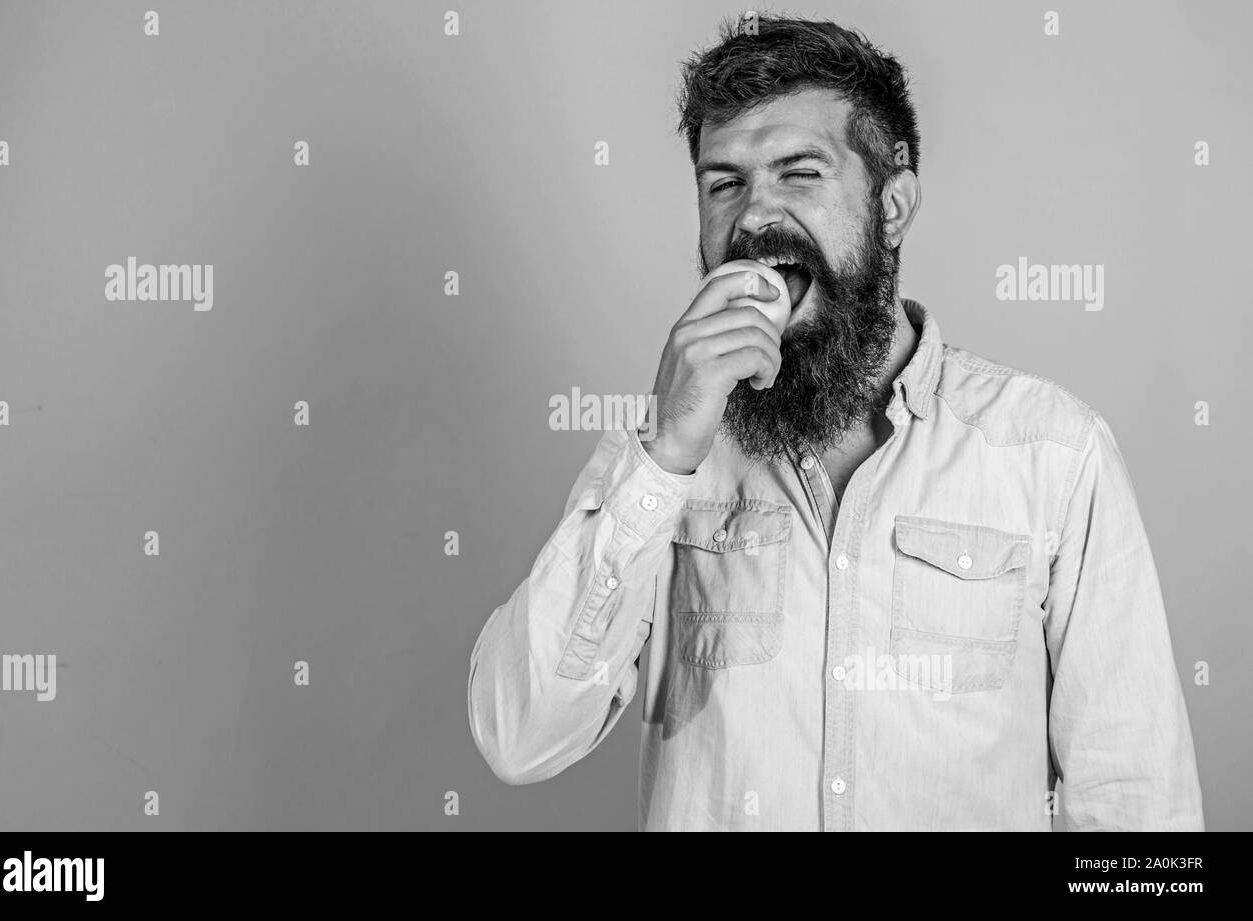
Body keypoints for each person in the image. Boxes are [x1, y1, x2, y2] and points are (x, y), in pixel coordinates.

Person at [467, 14, 1203, 831]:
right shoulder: (668, 457)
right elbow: (519, 735)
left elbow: (1140, 815)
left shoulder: (1055, 454)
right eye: (724, 183)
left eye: (799, 173)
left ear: (892, 206)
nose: (754, 218)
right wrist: (666, 450)